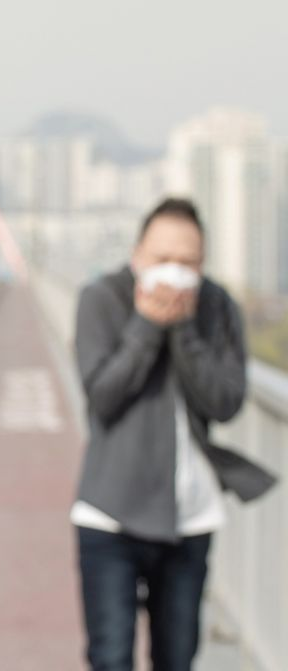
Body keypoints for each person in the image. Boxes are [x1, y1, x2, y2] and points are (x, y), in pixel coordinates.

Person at [72, 197, 274, 671]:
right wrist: (146, 325)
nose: (175, 273)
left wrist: (183, 330)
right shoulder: (102, 298)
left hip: (191, 516)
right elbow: (102, 397)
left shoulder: (217, 306)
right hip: (111, 513)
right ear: (138, 254)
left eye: (188, 263)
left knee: (177, 656)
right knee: (110, 655)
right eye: (163, 260)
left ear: (203, 265)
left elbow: (225, 402)